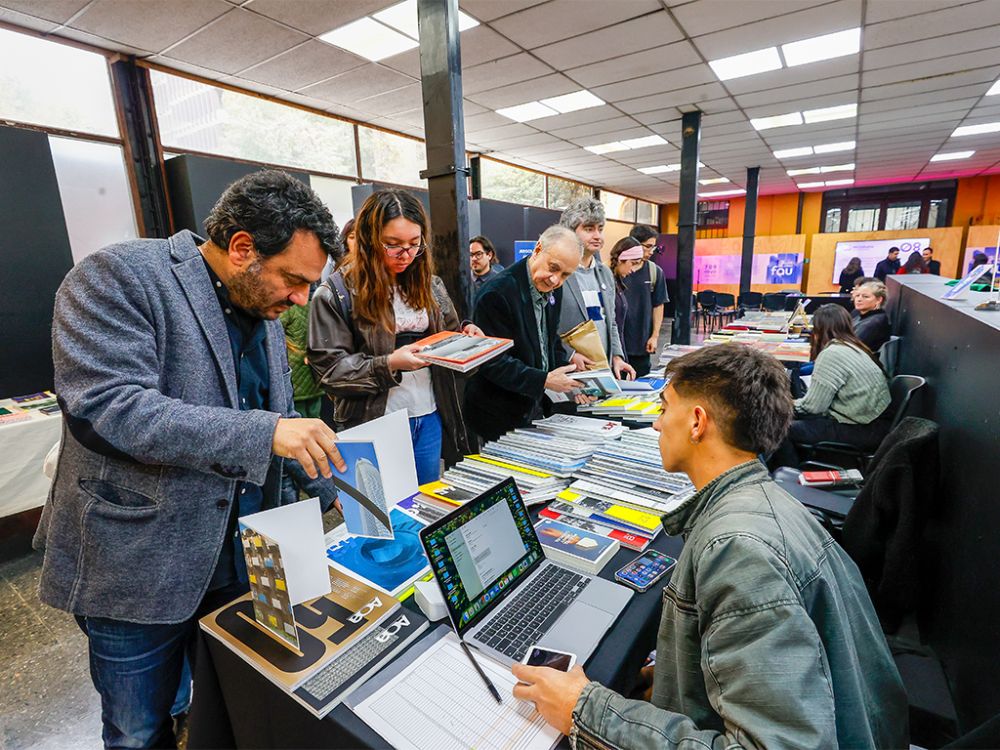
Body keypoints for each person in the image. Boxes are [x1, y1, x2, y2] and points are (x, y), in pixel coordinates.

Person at [33, 169, 347, 749]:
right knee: (137, 728)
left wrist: (340, 496)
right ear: (242, 248)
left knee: (220, 713)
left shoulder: (264, 306)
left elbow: (265, 420)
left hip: (237, 564)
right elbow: (110, 410)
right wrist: (268, 431)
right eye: (293, 279)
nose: (302, 297)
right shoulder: (118, 277)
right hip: (139, 565)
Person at [512, 344, 908, 749]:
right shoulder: (765, 502)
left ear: (697, 422)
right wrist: (671, 679)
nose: (656, 425)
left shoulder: (738, 551)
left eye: (664, 408)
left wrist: (588, 712)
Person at [308, 188, 476, 484]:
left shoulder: (430, 285)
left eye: (414, 244)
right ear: (369, 240)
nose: (406, 255)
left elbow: (450, 332)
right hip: (372, 421)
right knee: (377, 518)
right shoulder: (337, 292)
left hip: (428, 414)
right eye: (393, 245)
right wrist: (390, 364)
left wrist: (466, 334)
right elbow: (330, 371)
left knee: (421, 508)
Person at [465, 226, 587, 442]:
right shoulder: (497, 293)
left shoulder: (553, 290)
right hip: (498, 411)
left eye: (565, 275)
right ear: (538, 249)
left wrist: (571, 378)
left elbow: (549, 340)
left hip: (535, 406)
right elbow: (493, 362)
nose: (555, 280)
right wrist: (544, 380)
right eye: (553, 268)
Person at [770, 304, 892, 469]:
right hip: (872, 424)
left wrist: (779, 404)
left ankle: (789, 478)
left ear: (819, 329)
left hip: (860, 428)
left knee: (778, 428)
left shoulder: (832, 354)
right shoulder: (853, 346)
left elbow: (813, 407)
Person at [557, 198, 635, 380]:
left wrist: (617, 356)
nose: (597, 235)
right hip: (570, 372)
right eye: (589, 229)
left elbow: (612, 321)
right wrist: (569, 355)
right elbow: (545, 325)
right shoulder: (557, 274)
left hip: (604, 370)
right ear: (570, 233)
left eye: (600, 229)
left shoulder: (605, 273)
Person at [623, 224, 668, 377]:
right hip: (617, 348)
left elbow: (658, 305)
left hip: (642, 346)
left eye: (653, 248)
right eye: (647, 247)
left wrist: (655, 336)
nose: (651, 252)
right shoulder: (614, 271)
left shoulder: (655, 272)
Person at [279, 283, 324, 418]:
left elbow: (277, 332)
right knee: (315, 415)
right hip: (314, 368)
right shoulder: (317, 307)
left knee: (299, 418)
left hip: (295, 372)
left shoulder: (288, 309)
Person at [608, 237, 645, 360]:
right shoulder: (606, 282)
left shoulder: (617, 283)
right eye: (633, 263)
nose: (633, 270)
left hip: (617, 350)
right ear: (620, 259)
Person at [853, 280, 891, 351]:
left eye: (865, 296)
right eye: (857, 295)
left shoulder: (875, 322)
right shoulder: (856, 313)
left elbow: (852, 346)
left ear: (879, 300)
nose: (859, 299)